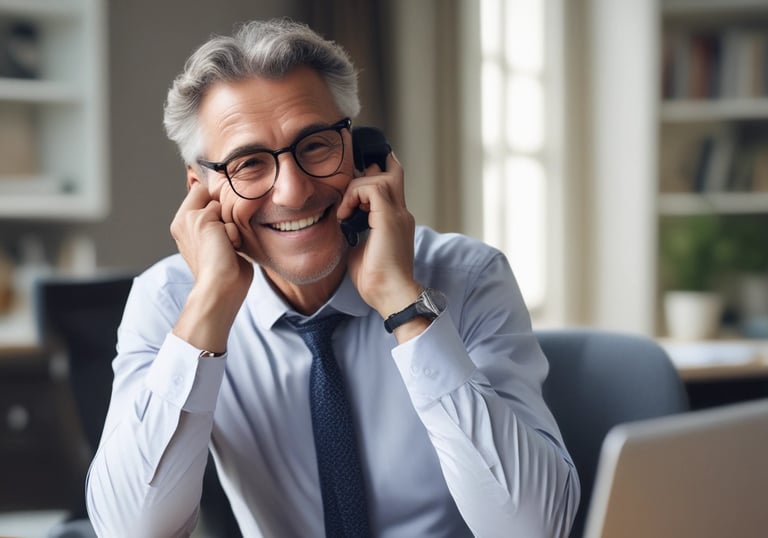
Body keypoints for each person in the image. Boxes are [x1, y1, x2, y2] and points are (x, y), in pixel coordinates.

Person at [86, 18, 579, 537]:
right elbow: (128, 531)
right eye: (249, 164)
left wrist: (403, 302)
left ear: (365, 154)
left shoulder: (470, 278)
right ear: (201, 192)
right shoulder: (170, 302)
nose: (293, 192)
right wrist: (209, 304)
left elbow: (536, 528)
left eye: (317, 145)